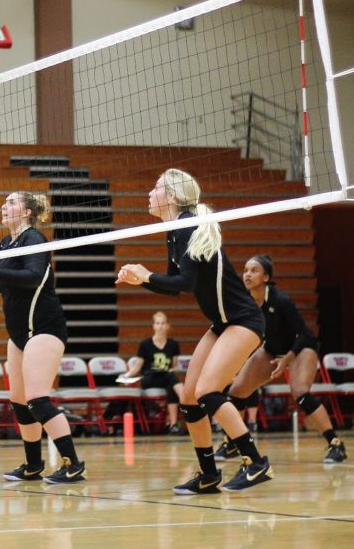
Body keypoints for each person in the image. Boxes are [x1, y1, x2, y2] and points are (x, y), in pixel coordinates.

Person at [117, 168, 272, 493]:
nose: (150, 192)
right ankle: (208, 474)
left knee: (208, 391)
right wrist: (141, 279)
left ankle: (255, 462)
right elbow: (176, 287)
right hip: (223, 323)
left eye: (156, 187)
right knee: (189, 396)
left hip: (243, 320)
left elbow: (183, 283)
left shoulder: (187, 225)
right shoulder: (176, 230)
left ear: (171, 196)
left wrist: (145, 276)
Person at [0, 192, 85, 485]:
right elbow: (3, 286)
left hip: (44, 327)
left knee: (37, 399)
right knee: (19, 401)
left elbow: (33, 277)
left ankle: (72, 463)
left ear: (26, 213)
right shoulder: (5, 243)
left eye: (11, 203)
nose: (4, 206)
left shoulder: (34, 239)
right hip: (18, 333)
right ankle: (33, 464)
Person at [217, 255, 346, 463]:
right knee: (236, 392)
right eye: (246, 270)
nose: (247, 274)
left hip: (301, 348)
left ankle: (335, 443)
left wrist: (286, 360)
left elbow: (304, 334)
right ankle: (232, 443)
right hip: (272, 349)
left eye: (254, 270)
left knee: (301, 393)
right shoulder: (245, 303)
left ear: (266, 277)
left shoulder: (281, 301)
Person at [123, 311, 184, 435]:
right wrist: (126, 376)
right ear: (153, 326)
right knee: (171, 379)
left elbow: (175, 366)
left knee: (171, 385)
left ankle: (173, 425)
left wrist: (172, 371)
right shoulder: (145, 344)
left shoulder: (173, 344)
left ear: (167, 326)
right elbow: (137, 367)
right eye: (157, 323)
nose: (160, 326)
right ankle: (185, 399)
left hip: (166, 377)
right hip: (150, 378)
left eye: (163, 323)